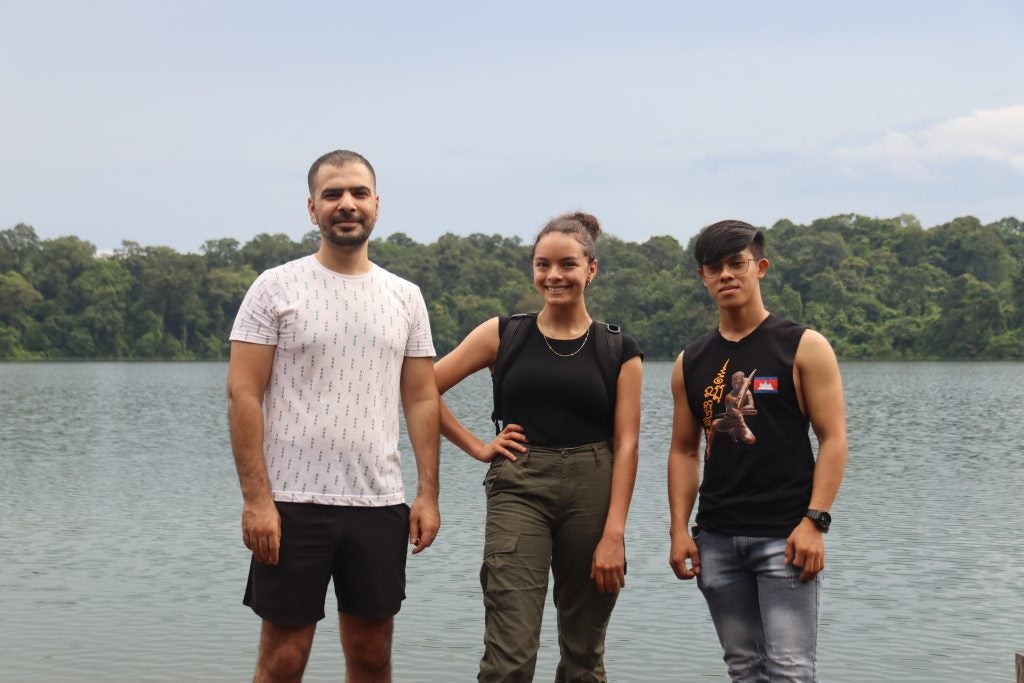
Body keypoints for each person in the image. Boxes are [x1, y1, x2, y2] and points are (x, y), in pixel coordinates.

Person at [227, 149, 440, 683]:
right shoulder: (275, 288)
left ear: (377, 205)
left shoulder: (405, 297)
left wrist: (427, 493)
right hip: (292, 505)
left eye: (358, 193)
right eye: (332, 195)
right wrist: (257, 500)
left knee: (371, 657)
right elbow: (243, 394)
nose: (346, 205)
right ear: (312, 208)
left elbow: (419, 398)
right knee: (283, 660)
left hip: (379, 503)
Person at [434, 212, 643, 683]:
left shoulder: (618, 349)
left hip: (594, 488)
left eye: (567, 265)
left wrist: (615, 534)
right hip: (519, 487)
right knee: (509, 656)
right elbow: (423, 390)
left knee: (584, 656)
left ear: (591, 269)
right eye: (542, 264)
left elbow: (627, 445)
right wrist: (476, 446)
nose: (553, 276)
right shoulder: (504, 334)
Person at [667, 219, 848, 682]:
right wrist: (679, 531)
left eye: (736, 264)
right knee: (744, 668)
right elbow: (684, 452)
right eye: (713, 268)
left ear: (759, 267)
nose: (726, 275)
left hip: (785, 537)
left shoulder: (802, 347)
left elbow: (834, 439)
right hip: (718, 537)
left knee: (790, 670)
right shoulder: (692, 360)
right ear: (702, 277)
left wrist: (815, 521)